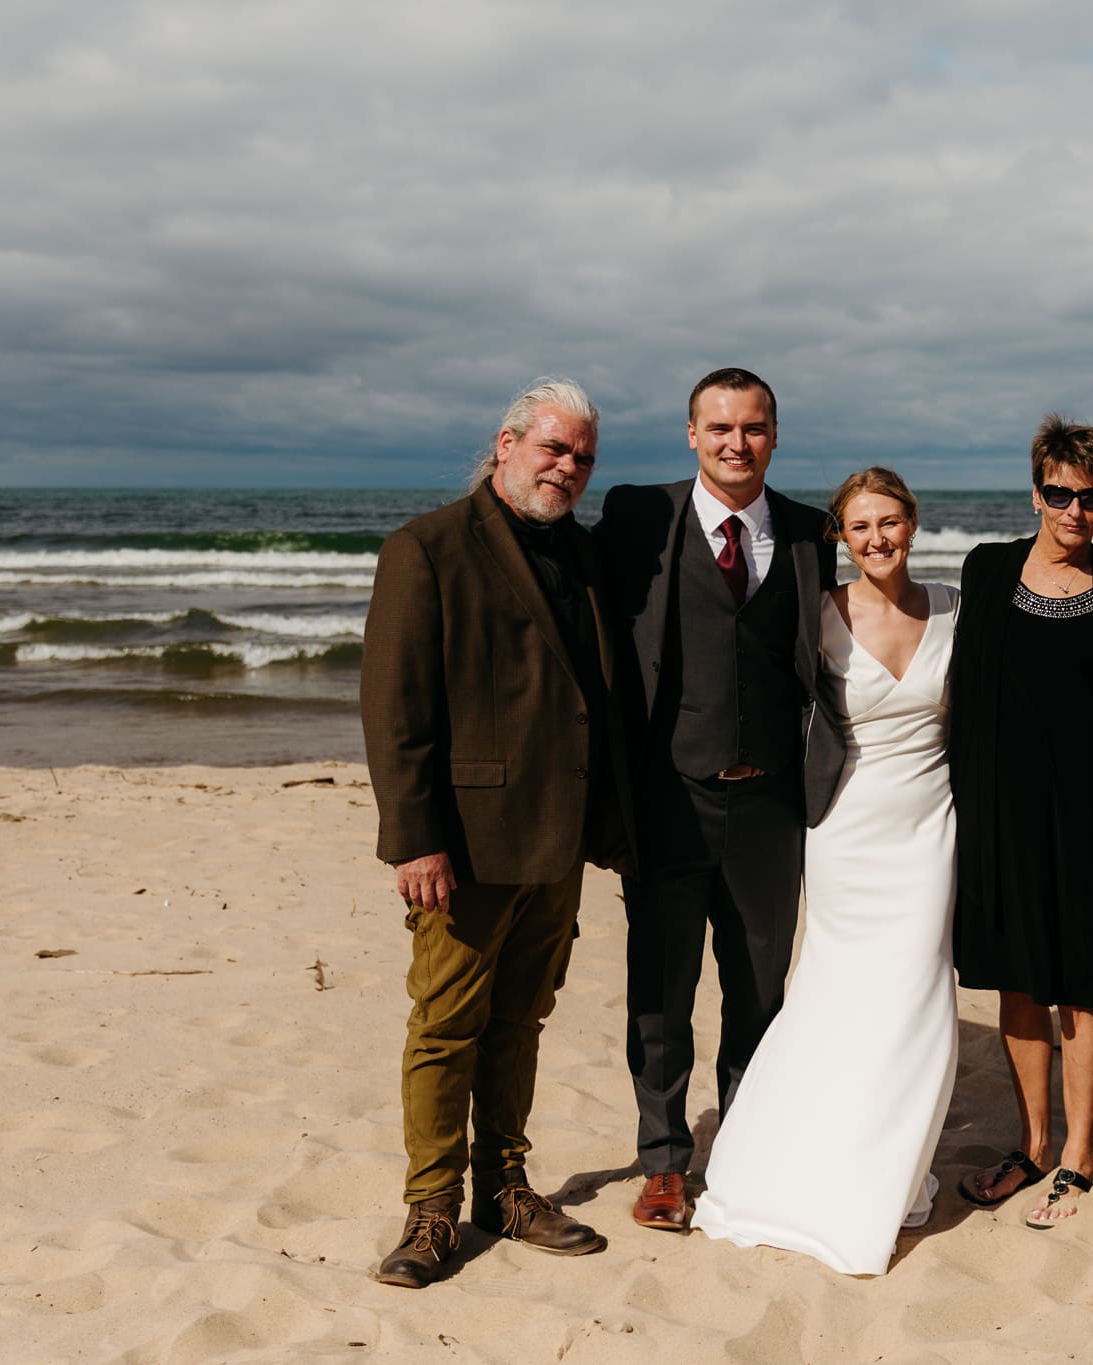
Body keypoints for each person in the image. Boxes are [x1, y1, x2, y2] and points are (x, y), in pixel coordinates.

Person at [360, 377, 637, 1288]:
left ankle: (505, 1188)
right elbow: (395, 707)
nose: (568, 468)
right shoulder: (428, 548)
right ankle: (432, 1209)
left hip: (557, 839)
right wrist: (414, 837)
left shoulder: (584, 555)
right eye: (554, 449)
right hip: (465, 843)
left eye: (583, 457)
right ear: (506, 442)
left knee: (522, 1019)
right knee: (446, 1024)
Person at [692, 468, 960, 1275]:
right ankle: (800, 1159)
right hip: (847, 829)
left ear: (913, 522)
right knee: (836, 993)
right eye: (860, 526)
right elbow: (754, 692)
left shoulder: (956, 605)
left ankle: (892, 1158)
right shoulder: (820, 613)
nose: (877, 538)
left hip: (931, 828)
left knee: (916, 997)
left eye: (890, 521)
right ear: (841, 536)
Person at [592, 368, 837, 1232]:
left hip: (771, 806)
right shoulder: (637, 515)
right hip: (669, 799)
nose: (739, 443)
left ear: (776, 435)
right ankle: (663, 1162)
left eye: (756, 428)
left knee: (759, 989)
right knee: (661, 989)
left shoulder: (811, 531)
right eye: (721, 428)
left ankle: (744, 1143)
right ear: (691, 435)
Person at [949, 414, 1093, 1228]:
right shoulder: (989, 568)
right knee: (1020, 983)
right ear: (1036, 492)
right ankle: (1034, 1144)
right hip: (1002, 817)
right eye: (1060, 493)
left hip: (1089, 819)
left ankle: (1079, 1156)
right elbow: (961, 689)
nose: (1075, 510)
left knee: (1081, 988)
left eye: (1091, 496)